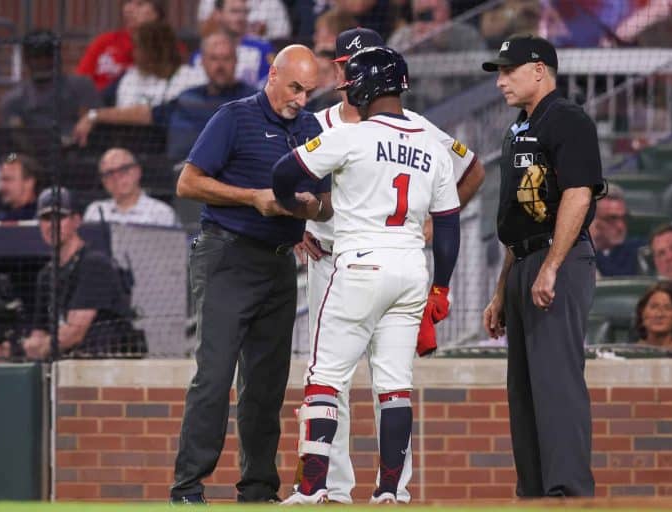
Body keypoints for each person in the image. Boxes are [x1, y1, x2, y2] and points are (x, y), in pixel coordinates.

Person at [293, 27, 485, 505]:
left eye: (354, 62)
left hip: (370, 259)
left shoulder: (414, 124)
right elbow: (293, 186)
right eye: (342, 62)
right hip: (331, 257)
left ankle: (378, 486)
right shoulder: (321, 121)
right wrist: (296, 228)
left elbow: (473, 169)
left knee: (358, 376)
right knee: (349, 379)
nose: (346, 70)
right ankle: (338, 489)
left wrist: (425, 227)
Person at [169, 45, 325, 505]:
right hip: (227, 255)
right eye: (294, 87)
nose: (300, 99)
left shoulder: (311, 128)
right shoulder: (233, 118)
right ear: (271, 75)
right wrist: (251, 197)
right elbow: (188, 182)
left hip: (279, 262)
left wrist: (313, 211)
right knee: (215, 377)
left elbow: (325, 197)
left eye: (308, 91)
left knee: (266, 384)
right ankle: (187, 490)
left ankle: (258, 491)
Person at [481, 34, 603, 497]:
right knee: (525, 394)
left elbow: (578, 192)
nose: (501, 82)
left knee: (557, 386)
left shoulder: (567, 119)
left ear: (539, 70)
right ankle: (534, 496)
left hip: (559, 260)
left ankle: (568, 495)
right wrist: (500, 290)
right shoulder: (519, 127)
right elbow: (521, 212)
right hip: (525, 261)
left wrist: (552, 265)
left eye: (509, 71)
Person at [72, 31, 257, 161]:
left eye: (226, 59)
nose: (220, 66)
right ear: (203, 63)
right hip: (185, 180)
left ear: (235, 62)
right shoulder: (188, 99)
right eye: (214, 59)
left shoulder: (253, 100)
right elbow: (145, 114)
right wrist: (94, 115)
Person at [22, 187, 145, 359]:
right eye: (45, 218)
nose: (52, 225)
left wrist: (41, 348)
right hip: (71, 366)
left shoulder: (93, 264)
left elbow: (74, 333)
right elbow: (38, 332)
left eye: (60, 217)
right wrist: (33, 345)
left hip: (108, 364)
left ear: (76, 220)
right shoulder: (46, 274)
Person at [0, 29, 101, 146]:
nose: (43, 62)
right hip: (34, 157)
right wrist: (12, 160)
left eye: (48, 56)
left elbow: (98, 112)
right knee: (10, 159)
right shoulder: (14, 99)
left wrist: (90, 117)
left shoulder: (81, 85)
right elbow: (13, 146)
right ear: (26, 60)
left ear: (58, 57)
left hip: (79, 152)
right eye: (37, 57)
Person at [76, 0, 166, 90]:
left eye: (140, 4)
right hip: (98, 101)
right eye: (128, 2)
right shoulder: (105, 41)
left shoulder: (167, 48)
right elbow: (80, 81)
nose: (129, 9)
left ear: (156, 14)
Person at [111, 21, 202, 108]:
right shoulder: (130, 78)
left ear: (155, 50)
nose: (133, 53)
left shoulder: (191, 78)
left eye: (138, 47)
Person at [83, 147, 179, 226]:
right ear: (104, 181)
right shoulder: (95, 212)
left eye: (123, 169)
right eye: (109, 173)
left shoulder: (161, 213)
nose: (117, 177)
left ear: (138, 172)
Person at [190, 0, 273, 89]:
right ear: (218, 14)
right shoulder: (200, 55)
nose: (241, 17)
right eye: (234, 12)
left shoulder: (263, 49)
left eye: (245, 12)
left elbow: (267, 89)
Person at [589, 183, 645, 276]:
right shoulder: (574, 253)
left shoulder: (637, 251)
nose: (621, 226)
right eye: (612, 218)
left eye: (624, 218)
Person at [0, 153, 42, 223]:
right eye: (1, 180)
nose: (1, 186)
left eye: (7, 179)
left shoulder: (44, 216)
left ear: (29, 182)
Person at [634, 281, 672, 351]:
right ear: (641, 314)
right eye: (653, 307)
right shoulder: (626, 356)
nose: (659, 315)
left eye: (668, 308)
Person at [197, 0, 291, 40]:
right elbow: (202, 36)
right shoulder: (210, 2)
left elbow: (281, 45)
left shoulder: (271, 4)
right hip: (220, 55)